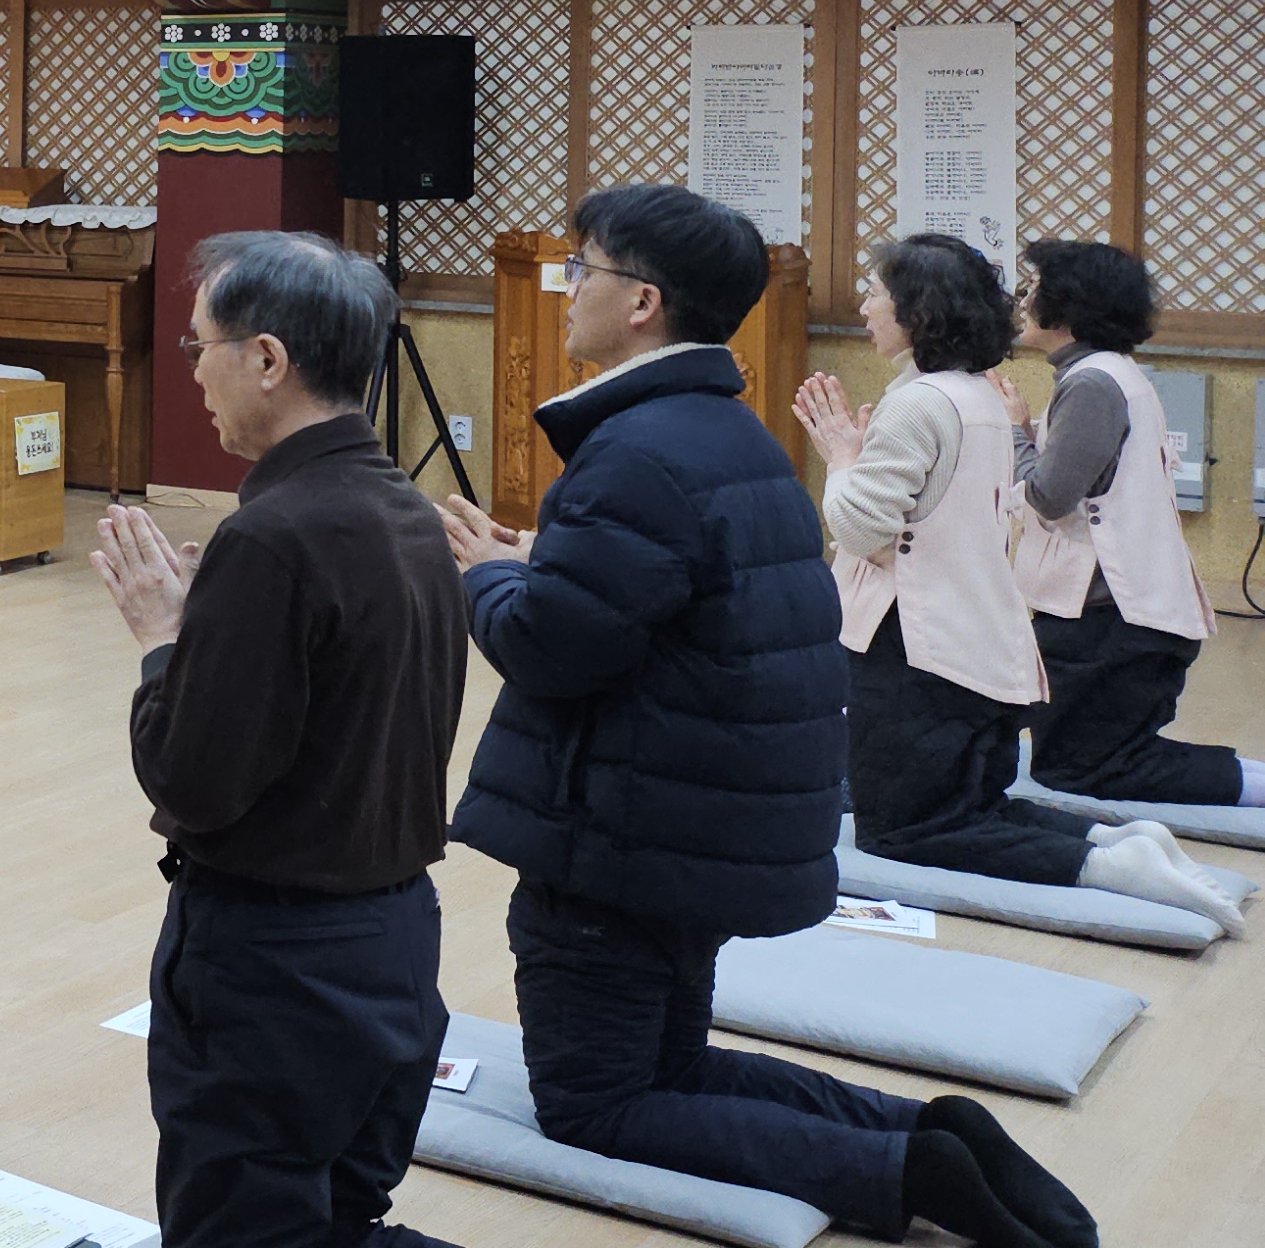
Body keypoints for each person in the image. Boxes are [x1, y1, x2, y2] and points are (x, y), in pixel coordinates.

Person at [439, 185, 1094, 1248]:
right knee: (671, 1066)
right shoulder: (723, 432)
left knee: (596, 1102)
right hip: (696, 827)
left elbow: (552, 647)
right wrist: (547, 563)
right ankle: (928, 1128)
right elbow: (657, 606)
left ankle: (903, 1169)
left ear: (642, 301)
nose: (567, 288)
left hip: (625, 838)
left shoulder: (633, 450)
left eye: (583, 269)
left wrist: (488, 577)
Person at [91, 232, 466, 1248]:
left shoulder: (273, 534)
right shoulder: (406, 509)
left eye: (198, 345)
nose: (192, 371)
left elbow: (192, 781)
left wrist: (164, 640)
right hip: (395, 940)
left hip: (277, 968)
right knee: (337, 1220)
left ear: (266, 358)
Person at [796, 235, 1239, 928]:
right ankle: (1111, 841)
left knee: (903, 829)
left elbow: (860, 528)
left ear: (916, 310)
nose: (864, 308)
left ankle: (1101, 863)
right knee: (971, 804)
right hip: (978, 643)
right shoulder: (975, 395)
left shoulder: (919, 404)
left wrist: (840, 458)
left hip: (918, 650)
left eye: (876, 294)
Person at [1011, 239, 1258, 806]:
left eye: (1033, 289)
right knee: (1075, 760)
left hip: (1115, 623)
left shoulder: (1092, 384)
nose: (1023, 301)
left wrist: (1009, 432)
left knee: (1081, 769)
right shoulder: (1104, 373)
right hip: (1120, 616)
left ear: (1069, 306)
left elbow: (1049, 497)